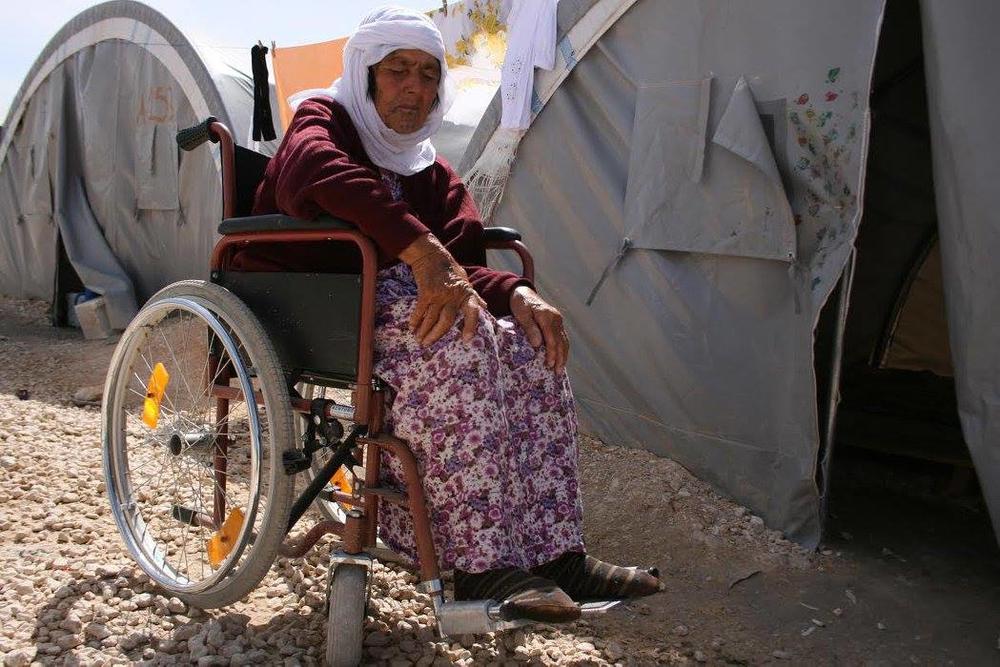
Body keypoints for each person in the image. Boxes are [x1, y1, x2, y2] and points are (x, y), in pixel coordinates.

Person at [247, 6, 661, 622]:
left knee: (530, 349)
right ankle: (474, 564)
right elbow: (310, 173)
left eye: (428, 74)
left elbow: (461, 265)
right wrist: (420, 251)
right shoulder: (324, 120)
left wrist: (518, 295)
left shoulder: (427, 168)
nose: (416, 87)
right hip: (325, 302)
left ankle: (555, 555)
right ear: (364, 75)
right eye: (398, 72)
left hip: (400, 304)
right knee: (461, 349)